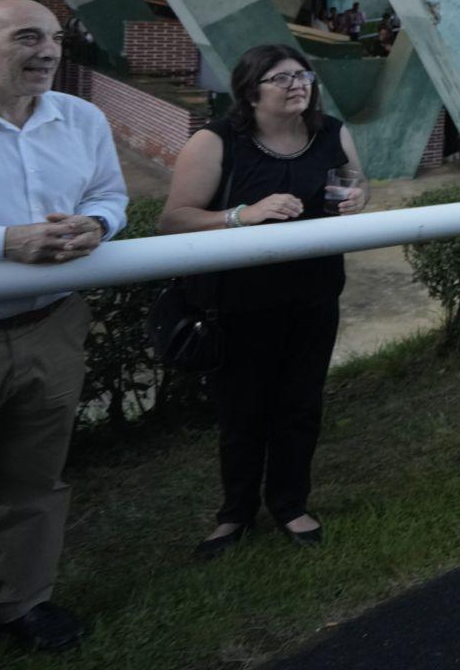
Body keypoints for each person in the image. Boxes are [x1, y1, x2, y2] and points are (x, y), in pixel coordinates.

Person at [0, 0, 126, 660]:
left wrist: (99, 225)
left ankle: (22, 606)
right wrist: (0, 244)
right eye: (27, 37)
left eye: (54, 37)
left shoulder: (83, 118)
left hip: (54, 327)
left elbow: (108, 194)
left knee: (36, 483)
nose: (48, 50)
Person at [162, 44, 368, 558]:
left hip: (315, 294)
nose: (299, 84)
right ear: (251, 91)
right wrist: (241, 215)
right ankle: (234, 515)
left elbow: (356, 185)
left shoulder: (331, 132)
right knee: (242, 412)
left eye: (304, 75)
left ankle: (291, 504)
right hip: (238, 302)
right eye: (283, 78)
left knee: (301, 405)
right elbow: (173, 219)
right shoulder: (216, 141)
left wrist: (360, 197)